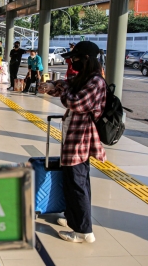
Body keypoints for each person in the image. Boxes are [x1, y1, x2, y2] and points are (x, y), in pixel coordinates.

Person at [38, 41, 106, 243]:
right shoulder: (84, 78)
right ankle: (72, 218)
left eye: (75, 58)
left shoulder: (96, 82)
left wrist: (63, 91)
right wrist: (52, 86)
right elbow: (68, 84)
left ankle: (84, 231)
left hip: (81, 138)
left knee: (78, 184)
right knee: (72, 180)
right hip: (73, 137)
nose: (72, 62)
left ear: (87, 59)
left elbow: (76, 102)